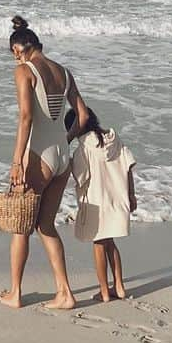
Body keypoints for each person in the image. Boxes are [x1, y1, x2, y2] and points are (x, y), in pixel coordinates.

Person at [0, 16, 89, 311]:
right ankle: (65, 293)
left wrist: (16, 161)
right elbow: (83, 116)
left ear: (19, 49)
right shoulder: (64, 72)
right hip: (62, 155)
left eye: (15, 54)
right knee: (46, 225)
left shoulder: (24, 71)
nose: (16, 59)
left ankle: (15, 293)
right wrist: (65, 138)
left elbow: (25, 117)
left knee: (21, 227)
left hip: (39, 155)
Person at [71, 110, 136, 302]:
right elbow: (129, 166)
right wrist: (131, 194)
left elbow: (81, 177)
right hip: (117, 199)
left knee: (99, 244)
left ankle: (104, 291)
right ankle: (120, 287)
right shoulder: (114, 140)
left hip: (97, 202)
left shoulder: (84, 148)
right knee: (110, 243)